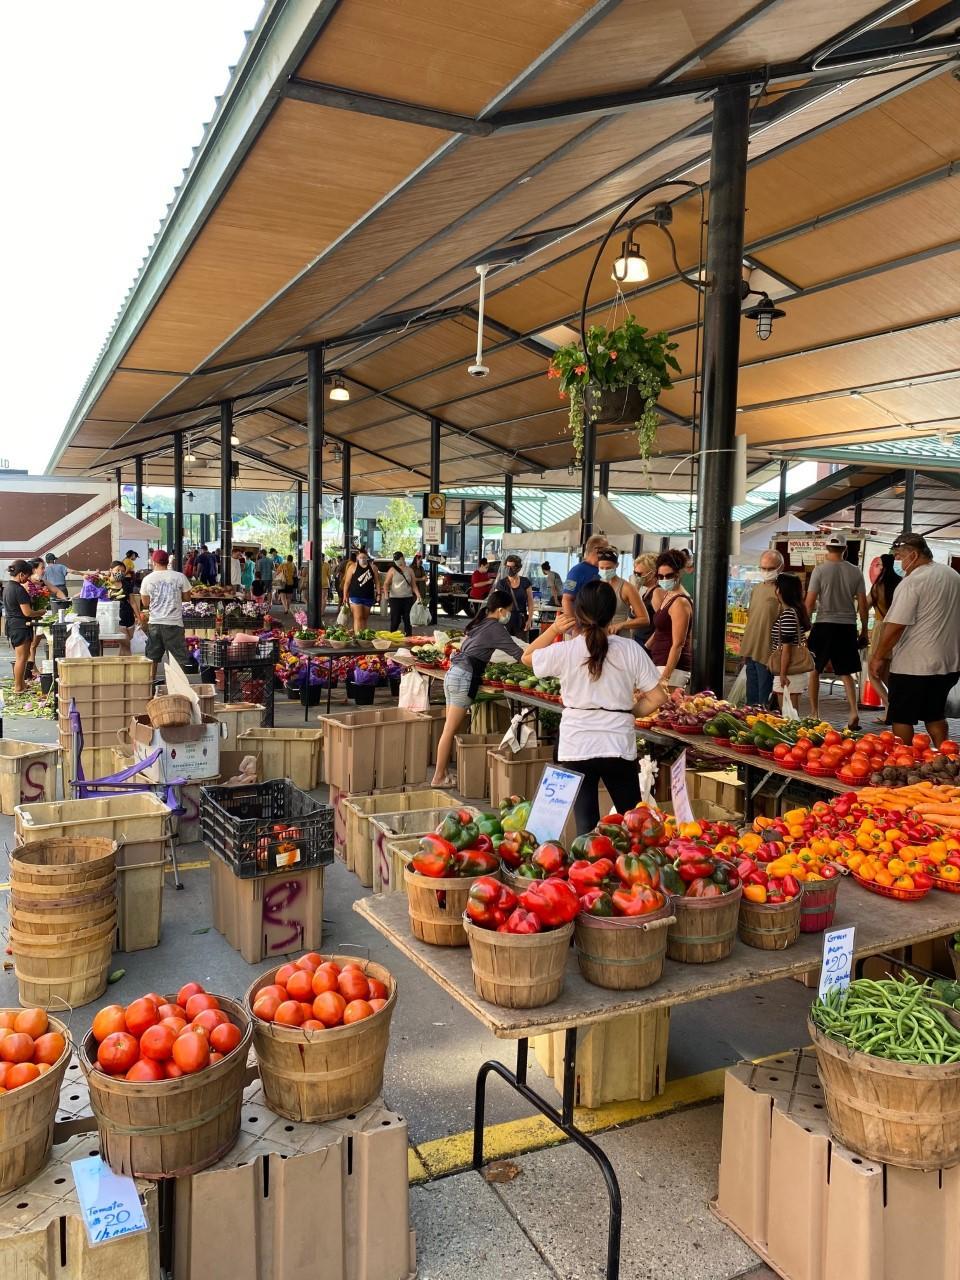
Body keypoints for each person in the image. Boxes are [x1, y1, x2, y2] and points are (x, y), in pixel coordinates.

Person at [522, 580, 668, 833]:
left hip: (576, 746)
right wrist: (627, 713)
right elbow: (658, 697)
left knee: (586, 828)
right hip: (618, 744)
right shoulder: (631, 649)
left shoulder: (566, 650)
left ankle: (588, 858)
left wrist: (553, 629)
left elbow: (526, 657)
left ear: (578, 613)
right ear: (613, 613)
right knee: (634, 827)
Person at [869, 532, 960, 747]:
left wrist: (878, 657)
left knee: (901, 716)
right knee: (934, 714)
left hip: (913, 665)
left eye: (900, 556)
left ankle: (905, 757)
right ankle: (945, 754)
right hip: (948, 663)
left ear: (914, 554)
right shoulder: (953, 576)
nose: (898, 562)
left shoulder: (912, 582)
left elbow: (896, 626)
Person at [431, 588, 526, 787]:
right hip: (463, 678)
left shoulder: (480, 623)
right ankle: (438, 777)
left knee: (449, 728)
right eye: (508, 610)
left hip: (454, 674)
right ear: (500, 610)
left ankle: (444, 774)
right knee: (449, 730)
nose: (508, 615)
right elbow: (519, 655)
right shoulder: (495, 628)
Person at [803, 533, 868, 729]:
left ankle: (814, 713)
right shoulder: (855, 571)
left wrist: (804, 626)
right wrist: (864, 630)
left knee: (814, 669)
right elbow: (863, 605)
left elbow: (809, 602)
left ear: (826, 548)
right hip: (847, 626)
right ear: (845, 549)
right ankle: (853, 712)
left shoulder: (819, 570)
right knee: (846, 671)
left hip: (824, 624)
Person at [738, 548, 785, 707]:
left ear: (781, 567)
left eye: (770, 568)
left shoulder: (782, 591)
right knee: (751, 697)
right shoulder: (757, 589)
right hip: (752, 649)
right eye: (763, 568)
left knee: (764, 697)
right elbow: (752, 619)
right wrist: (745, 649)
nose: (766, 572)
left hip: (768, 651)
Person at [138, 549, 193, 669]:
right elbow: (187, 598)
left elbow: (145, 603)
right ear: (168, 561)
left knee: (152, 658)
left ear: (153, 562)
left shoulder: (147, 579)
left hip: (155, 623)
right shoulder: (179, 577)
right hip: (174, 623)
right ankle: (177, 681)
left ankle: (150, 681)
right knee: (178, 659)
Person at [647, 549, 693, 686]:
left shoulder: (680, 602)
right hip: (661, 661)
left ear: (679, 574)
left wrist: (665, 677)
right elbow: (661, 629)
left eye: (669, 576)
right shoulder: (669, 595)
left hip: (672, 668)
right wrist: (645, 648)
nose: (664, 580)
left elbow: (678, 643)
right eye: (660, 577)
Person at [769, 573, 811, 714]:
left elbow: (786, 648)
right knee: (791, 714)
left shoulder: (788, 614)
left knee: (789, 716)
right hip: (792, 672)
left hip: (789, 672)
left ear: (781, 591)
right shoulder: (796, 611)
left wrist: (782, 674)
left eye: (776, 587)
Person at [866, 553, 900, 716]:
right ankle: (890, 709)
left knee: (873, 672)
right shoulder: (900, 584)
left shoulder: (877, 586)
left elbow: (864, 605)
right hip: (897, 629)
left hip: (881, 629)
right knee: (887, 673)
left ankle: (890, 706)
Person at [596, 547, 648, 638]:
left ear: (617, 565)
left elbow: (644, 619)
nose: (605, 571)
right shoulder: (595, 586)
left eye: (608, 568)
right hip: (599, 637)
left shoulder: (627, 588)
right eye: (602, 568)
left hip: (620, 638)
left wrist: (621, 625)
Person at [4, 560, 39, 693]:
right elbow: (27, 612)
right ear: (21, 574)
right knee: (21, 658)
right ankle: (18, 687)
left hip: (12, 625)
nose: (27, 579)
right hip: (20, 627)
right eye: (27, 576)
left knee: (21, 657)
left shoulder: (8, 587)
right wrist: (40, 612)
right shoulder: (18, 589)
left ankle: (21, 684)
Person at [561, 533, 605, 619]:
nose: (607, 554)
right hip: (581, 622)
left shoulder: (603, 570)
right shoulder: (576, 571)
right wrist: (573, 625)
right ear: (597, 550)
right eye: (606, 550)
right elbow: (566, 599)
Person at [107, 560, 143, 655]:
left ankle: (120, 663)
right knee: (127, 645)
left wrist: (138, 617)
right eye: (118, 570)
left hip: (128, 617)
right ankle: (130, 663)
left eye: (123, 571)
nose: (120, 573)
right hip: (116, 619)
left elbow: (132, 602)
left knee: (124, 646)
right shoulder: (105, 584)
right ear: (111, 570)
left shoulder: (126, 584)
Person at [382, 551, 420, 636]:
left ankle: (408, 636)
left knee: (408, 619)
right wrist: (386, 594)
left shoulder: (409, 570)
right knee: (395, 619)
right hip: (395, 598)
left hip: (408, 598)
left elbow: (414, 585)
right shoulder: (392, 570)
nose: (398, 561)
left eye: (399, 559)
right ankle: (392, 635)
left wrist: (418, 596)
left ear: (403, 558)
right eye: (396, 559)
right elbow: (386, 583)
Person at [342, 549, 380, 633]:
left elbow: (377, 582)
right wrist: (345, 595)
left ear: (367, 557)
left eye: (364, 557)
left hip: (368, 596)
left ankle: (363, 635)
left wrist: (378, 594)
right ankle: (357, 635)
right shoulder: (352, 567)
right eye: (360, 557)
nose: (362, 559)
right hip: (355, 596)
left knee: (364, 618)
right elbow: (347, 582)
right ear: (357, 558)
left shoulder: (373, 568)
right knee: (358, 617)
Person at [500, 555, 534, 638]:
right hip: (505, 620)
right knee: (504, 644)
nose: (509, 569)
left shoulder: (525, 582)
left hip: (521, 620)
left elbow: (530, 602)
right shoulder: (502, 583)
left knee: (522, 644)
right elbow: (496, 603)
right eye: (507, 567)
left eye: (512, 567)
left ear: (518, 568)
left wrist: (529, 619)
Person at [630, 553, 659, 647]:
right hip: (640, 639)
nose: (636, 577)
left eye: (639, 574)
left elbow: (663, 624)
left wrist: (648, 645)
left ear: (652, 574)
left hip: (647, 643)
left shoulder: (657, 593)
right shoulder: (646, 591)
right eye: (634, 573)